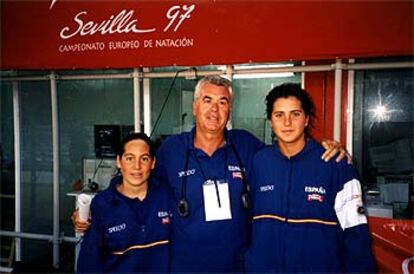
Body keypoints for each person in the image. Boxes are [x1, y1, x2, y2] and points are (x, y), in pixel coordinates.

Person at [74, 76, 348, 272]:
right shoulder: (171, 150)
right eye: (207, 100)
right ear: (194, 106)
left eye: (223, 102)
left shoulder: (247, 146)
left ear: (230, 110)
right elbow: (136, 180)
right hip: (183, 267)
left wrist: (325, 147)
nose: (214, 110)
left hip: (237, 266)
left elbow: (288, 156)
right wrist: (98, 210)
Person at [245, 83, 375, 273]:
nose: (287, 122)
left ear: (306, 119)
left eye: (295, 114)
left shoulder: (337, 164)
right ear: (270, 121)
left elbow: (356, 234)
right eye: (279, 115)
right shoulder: (258, 162)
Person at [77, 133, 171, 273]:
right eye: (129, 158)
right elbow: (89, 264)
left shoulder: (167, 195)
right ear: (119, 161)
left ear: (153, 163)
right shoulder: (102, 205)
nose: (137, 166)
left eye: (144, 159)